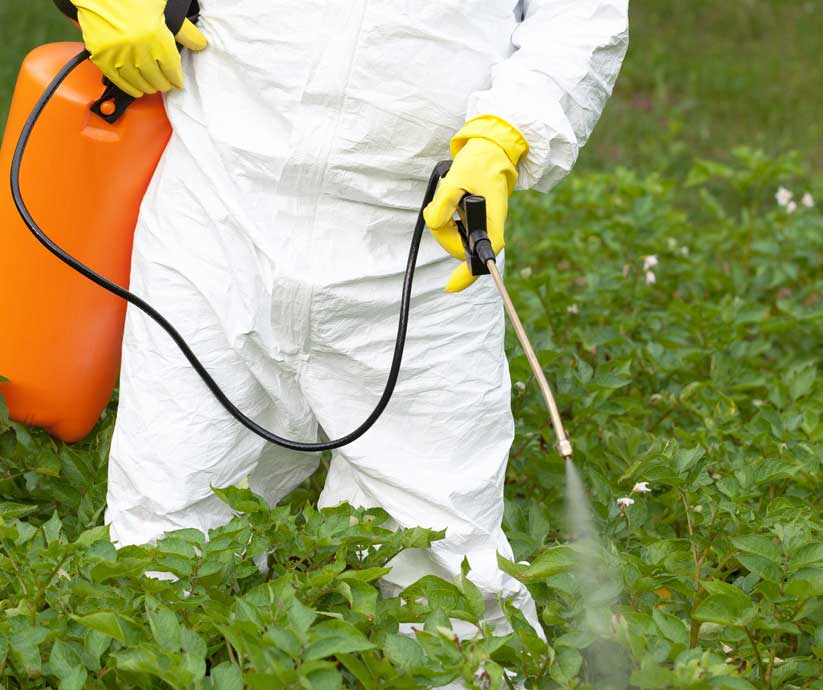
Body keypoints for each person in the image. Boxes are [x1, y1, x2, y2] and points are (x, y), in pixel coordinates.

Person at [71, 0, 629, 638]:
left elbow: (582, 14)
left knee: (441, 572)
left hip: (417, 244)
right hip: (217, 211)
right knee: (163, 537)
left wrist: (510, 129)